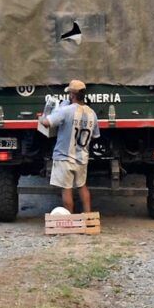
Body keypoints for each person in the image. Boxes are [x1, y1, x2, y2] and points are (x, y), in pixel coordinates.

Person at [38, 80, 100, 213]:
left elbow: (47, 123)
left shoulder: (66, 111)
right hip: (82, 157)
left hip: (64, 157)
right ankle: (88, 216)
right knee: (82, 186)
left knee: (66, 189)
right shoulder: (92, 114)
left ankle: (70, 218)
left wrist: (41, 117)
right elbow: (95, 136)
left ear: (72, 95)